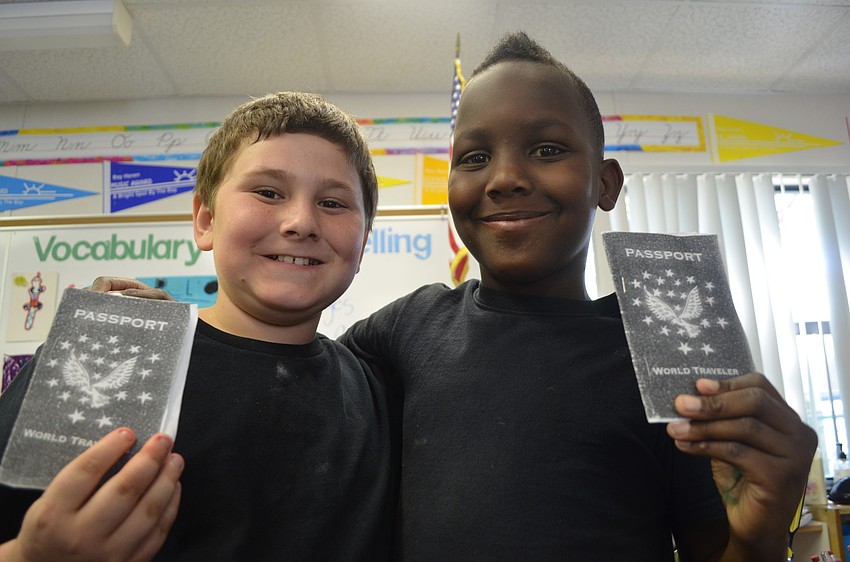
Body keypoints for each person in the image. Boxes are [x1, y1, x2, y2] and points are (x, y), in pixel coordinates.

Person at [84, 32, 817, 561]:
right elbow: (286, 368)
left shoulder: (668, 365)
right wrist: (184, 330)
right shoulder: (410, 327)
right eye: (474, 157)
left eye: (548, 148)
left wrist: (759, 537)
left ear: (606, 182)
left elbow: (719, 546)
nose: (503, 177)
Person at [0, 92, 397, 561]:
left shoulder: (380, 393)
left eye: (333, 203)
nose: (301, 222)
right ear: (205, 219)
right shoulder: (105, 349)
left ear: (363, 241)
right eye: (268, 192)